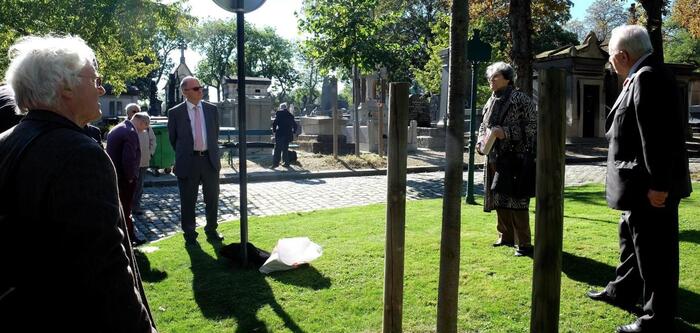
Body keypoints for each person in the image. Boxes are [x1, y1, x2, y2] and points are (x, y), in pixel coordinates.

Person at [0, 35, 156, 332]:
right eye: (94, 79)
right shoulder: (78, 154)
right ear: (66, 87)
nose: (101, 88)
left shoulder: (7, 141)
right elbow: (105, 272)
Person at [586, 25, 692, 333]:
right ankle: (622, 290)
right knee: (631, 243)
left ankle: (657, 320)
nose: (609, 63)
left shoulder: (648, 77)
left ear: (621, 54)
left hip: (650, 189)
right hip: (637, 187)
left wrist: (660, 185)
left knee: (655, 255)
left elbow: (659, 138)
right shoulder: (641, 75)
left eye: (610, 57)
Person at [476, 61, 537, 257]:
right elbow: (483, 127)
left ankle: (524, 243)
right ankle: (505, 236)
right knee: (498, 198)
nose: (490, 80)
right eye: (490, 77)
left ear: (508, 79)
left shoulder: (521, 99)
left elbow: (533, 127)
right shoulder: (490, 100)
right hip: (494, 158)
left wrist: (507, 132)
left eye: (495, 77)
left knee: (517, 201)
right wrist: (479, 143)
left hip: (516, 159)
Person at [167, 76, 223, 245]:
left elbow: (215, 134)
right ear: (185, 92)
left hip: (209, 160)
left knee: (212, 198)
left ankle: (211, 229)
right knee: (188, 200)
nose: (201, 91)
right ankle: (190, 233)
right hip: (188, 161)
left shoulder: (212, 110)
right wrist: (185, 153)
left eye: (201, 87)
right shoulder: (175, 113)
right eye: (197, 88)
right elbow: (173, 139)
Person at [107, 111, 150, 246]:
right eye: (146, 126)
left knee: (122, 210)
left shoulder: (119, 128)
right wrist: (131, 177)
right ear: (142, 122)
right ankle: (128, 240)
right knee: (126, 210)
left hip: (115, 175)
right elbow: (129, 158)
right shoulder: (130, 132)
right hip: (124, 179)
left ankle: (128, 237)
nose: (145, 129)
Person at [126, 103, 156, 215]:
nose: (137, 113)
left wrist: (150, 153)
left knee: (139, 185)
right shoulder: (126, 126)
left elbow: (153, 141)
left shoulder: (147, 126)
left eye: (138, 110)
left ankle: (136, 206)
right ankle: (127, 206)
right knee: (129, 185)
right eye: (134, 111)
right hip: (130, 162)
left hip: (143, 161)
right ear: (128, 113)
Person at [271, 102, 298, 168]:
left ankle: (275, 164)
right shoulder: (290, 115)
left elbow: (274, 123)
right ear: (286, 108)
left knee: (277, 149)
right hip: (288, 134)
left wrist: (274, 131)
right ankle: (286, 163)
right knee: (285, 149)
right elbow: (295, 125)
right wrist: (293, 132)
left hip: (280, 133)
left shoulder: (279, 113)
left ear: (280, 108)